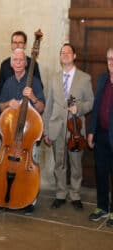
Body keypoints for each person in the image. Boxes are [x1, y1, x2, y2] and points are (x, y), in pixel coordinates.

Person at [43, 43, 93, 210]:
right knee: (59, 163)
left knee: (76, 163)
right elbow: (49, 105)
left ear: (74, 56)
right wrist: (46, 131)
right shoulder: (54, 78)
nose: (64, 55)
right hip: (57, 127)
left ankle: (75, 194)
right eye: (62, 52)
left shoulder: (84, 78)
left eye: (68, 52)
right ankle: (60, 193)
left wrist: (79, 109)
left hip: (75, 129)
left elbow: (91, 103)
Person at [0, 48, 45, 214]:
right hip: (10, 135)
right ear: (11, 64)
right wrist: (8, 103)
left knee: (29, 169)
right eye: (15, 60)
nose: (18, 63)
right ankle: (5, 194)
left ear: (26, 63)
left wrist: (32, 97)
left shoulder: (35, 82)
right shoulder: (8, 82)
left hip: (28, 135)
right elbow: (0, 106)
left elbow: (41, 107)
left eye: (21, 60)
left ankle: (29, 199)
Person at [87, 48, 113, 227]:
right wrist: (91, 131)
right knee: (101, 172)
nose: (111, 62)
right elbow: (96, 107)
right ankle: (102, 207)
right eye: (109, 58)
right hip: (101, 135)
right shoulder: (103, 78)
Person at [0, 31, 42, 116]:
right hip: (10, 116)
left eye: (20, 42)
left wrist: (33, 98)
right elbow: (0, 93)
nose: (17, 45)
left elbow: (39, 90)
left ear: (25, 45)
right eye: (15, 42)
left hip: (29, 115)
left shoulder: (33, 64)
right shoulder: (4, 64)